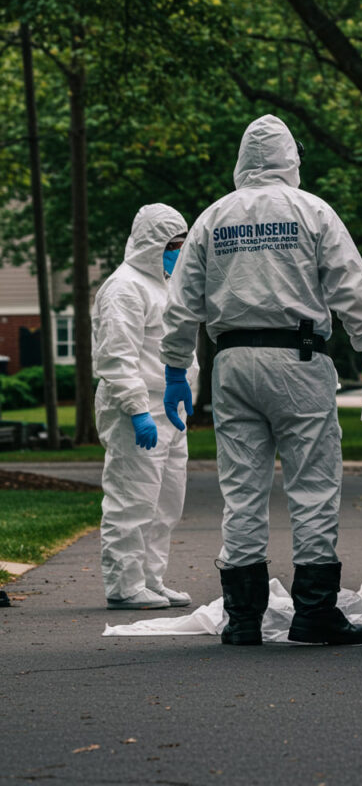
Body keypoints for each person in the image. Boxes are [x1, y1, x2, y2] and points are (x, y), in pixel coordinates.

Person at [160, 114, 362, 646]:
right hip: (298, 359)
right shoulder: (312, 212)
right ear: (292, 159)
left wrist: (175, 370)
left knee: (241, 489)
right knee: (312, 484)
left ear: (242, 161)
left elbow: (181, 305)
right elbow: (349, 285)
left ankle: (242, 620)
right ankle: (314, 612)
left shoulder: (213, 218)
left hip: (232, 362)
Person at [93, 203, 198, 610]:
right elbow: (117, 357)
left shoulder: (164, 283)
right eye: (172, 244)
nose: (177, 251)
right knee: (132, 498)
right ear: (151, 243)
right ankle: (124, 585)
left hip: (170, 409)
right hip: (137, 407)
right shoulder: (125, 287)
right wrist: (137, 410)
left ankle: (150, 579)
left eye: (181, 244)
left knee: (165, 501)